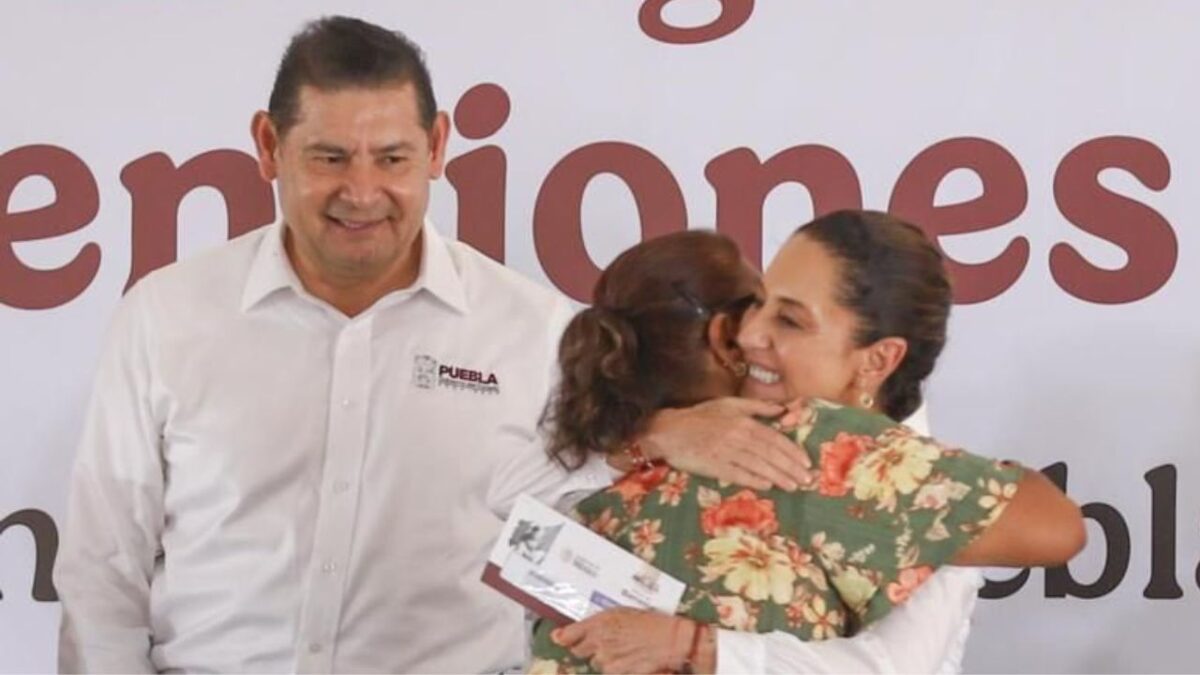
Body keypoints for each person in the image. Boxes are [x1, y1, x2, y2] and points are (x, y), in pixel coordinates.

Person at [52, 15, 814, 674]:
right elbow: (104, 568)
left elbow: (589, 522)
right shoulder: (166, 314)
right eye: (327, 158)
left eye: (392, 158)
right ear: (267, 145)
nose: (361, 191)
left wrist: (670, 433)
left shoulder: (537, 330)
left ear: (438, 146)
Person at [533, 214, 1085, 673]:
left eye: (790, 320)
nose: (750, 334)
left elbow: (897, 666)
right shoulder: (676, 439)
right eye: (760, 304)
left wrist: (693, 646)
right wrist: (658, 437)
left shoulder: (905, 484)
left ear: (877, 360)